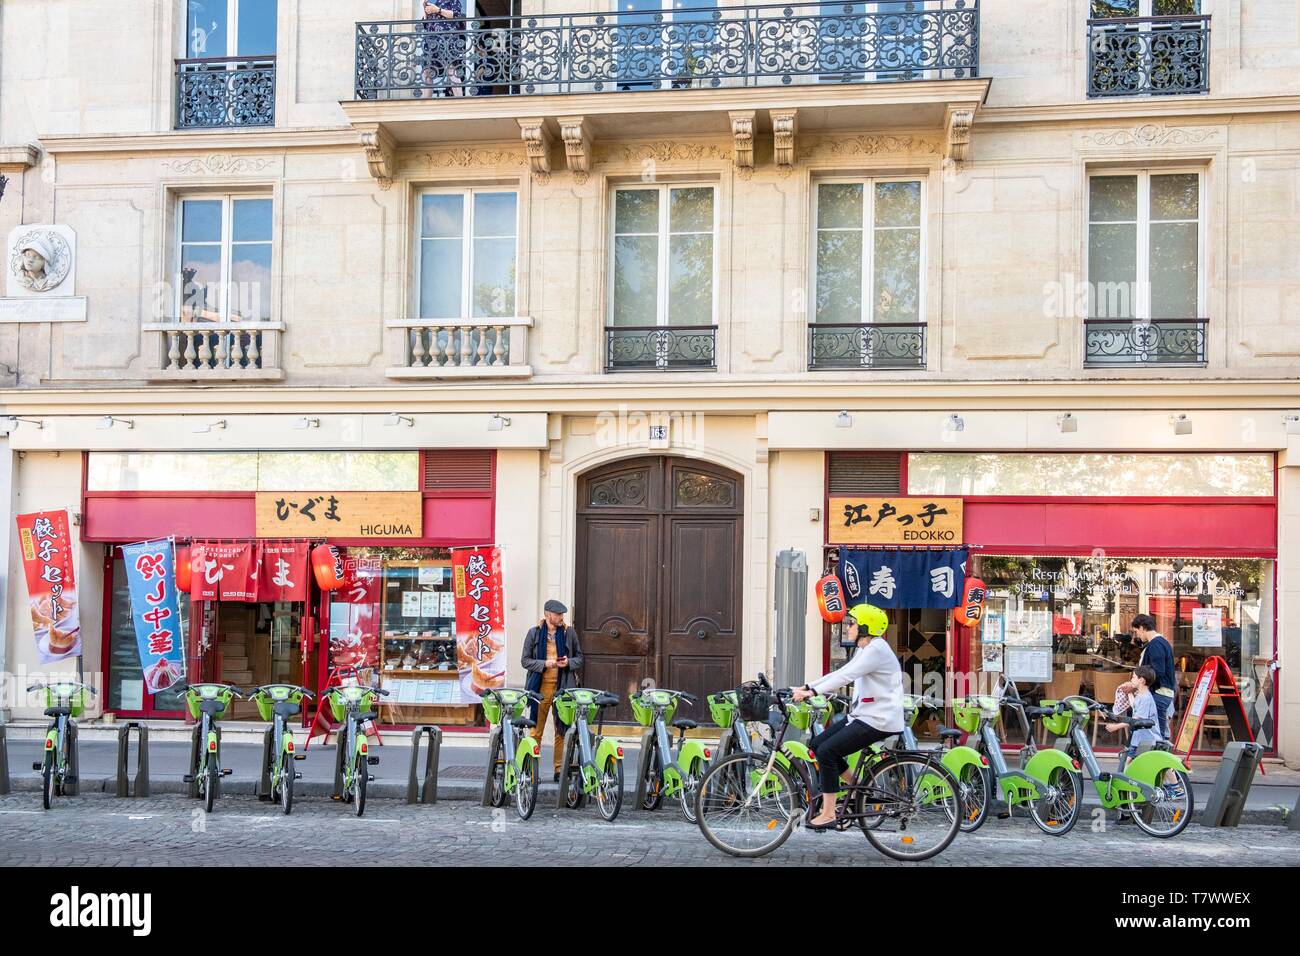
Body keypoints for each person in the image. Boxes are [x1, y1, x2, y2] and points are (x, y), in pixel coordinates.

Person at [792, 603, 902, 830]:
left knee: (828, 752)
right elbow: (840, 672)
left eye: (852, 624)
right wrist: (807, 686)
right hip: (864, 715)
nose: (848, 628)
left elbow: (847, 677)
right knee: (817, 744)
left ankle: (829, 812)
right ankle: (857, 788)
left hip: (878, 719)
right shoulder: (865, 648)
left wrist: (811, 693)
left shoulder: (877, 649)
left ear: (865, 627)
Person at [521, 599, 583, 781]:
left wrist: (568, 663)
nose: (561, 617)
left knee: (561, 731)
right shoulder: (534, 633)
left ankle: (559, 770)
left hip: (562, 688)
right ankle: (533, 771)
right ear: (547, 615)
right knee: (535, 730)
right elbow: (525, 661)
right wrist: (544, 664)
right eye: (558, 615)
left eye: (562, 614)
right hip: (539, 688)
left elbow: (580, 658)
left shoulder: (569, 633)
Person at [1130, 613, 1176, 740]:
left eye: (1136, 631)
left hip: (1159, 694)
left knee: (1157, 735)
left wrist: (1140, 680)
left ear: (1142, 628)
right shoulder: (1160, 643)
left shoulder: (1155, 644)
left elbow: (1157, 671)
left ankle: (1161, 758)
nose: (1137, 635)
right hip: (1162, 693)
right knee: (1158, 732)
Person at [1106, 665, 1161, 754]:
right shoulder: (1140, 694)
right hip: (1139, 738)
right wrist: (1129, 692)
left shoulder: (1146, 698)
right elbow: (1134, 705)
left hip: (1147, 740)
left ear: (1141, 680)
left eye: (1134, 677)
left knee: (1131, 763)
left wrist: (1116, 727)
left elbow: (1137, 720)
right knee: (1129, 762)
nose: (1131, 679)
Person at [421, 0, 465, 96]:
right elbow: (425, 23)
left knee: (451, 69)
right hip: (431, 42)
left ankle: (460, 101)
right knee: (427, 71)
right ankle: (426, 103)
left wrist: (438, 10)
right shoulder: (432, 2)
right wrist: (424, 8)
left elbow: (456, 15)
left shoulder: (452, 1)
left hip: (447, 40)